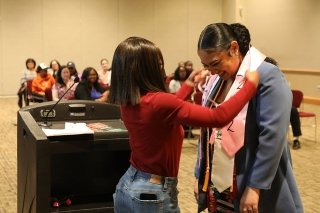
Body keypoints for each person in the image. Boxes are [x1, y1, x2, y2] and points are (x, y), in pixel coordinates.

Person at [108, 36, 260, 213]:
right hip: (153, 193)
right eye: (157, 64)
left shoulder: (129, 101)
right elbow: (218, 117)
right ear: (147, 69)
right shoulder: (160, 103)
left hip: (129, 185)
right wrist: (250, 85)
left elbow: (162, 112)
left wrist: (188, 86)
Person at [194, 23, 303, 213]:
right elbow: (207, 131)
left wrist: (255, 187)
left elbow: (272, 137)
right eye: (205, 65)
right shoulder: (219, 79)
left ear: (234, 48)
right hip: (221, 182)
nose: (211, 71)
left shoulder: (268, 76)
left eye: (215, 63)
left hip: (252, 180)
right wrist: (200, 174)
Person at [264, 57, 302, 150]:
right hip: (267, 107)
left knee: (293, 110)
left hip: (280, 106)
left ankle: (296, 139)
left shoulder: (281, 80)